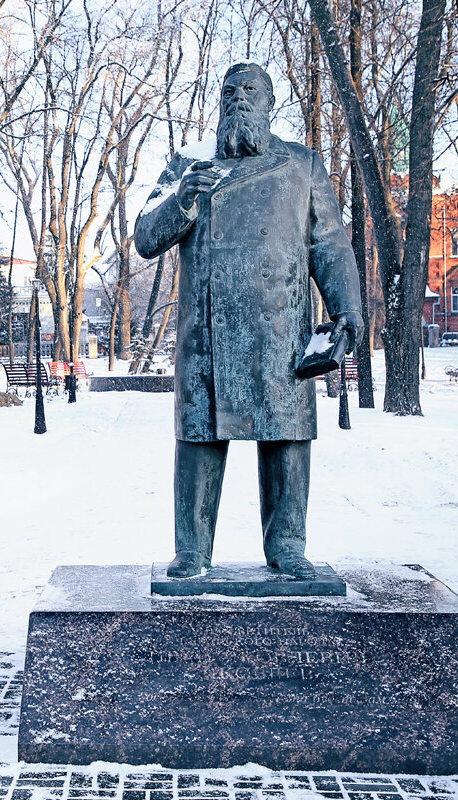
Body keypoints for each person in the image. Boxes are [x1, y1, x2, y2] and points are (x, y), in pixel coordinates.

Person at [133, 63, 363, 580]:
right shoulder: (188, 165)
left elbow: (328, 244)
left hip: (280, 331)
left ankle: (287, 543)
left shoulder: (301, 166)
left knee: (286, 438)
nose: (238, 99)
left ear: (269, 104)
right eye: (229, 91)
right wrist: (183, 199)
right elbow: (145, 238)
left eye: (250, 91)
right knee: (199, 438)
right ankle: (192, 549)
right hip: (208, 335)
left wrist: (347, 310)